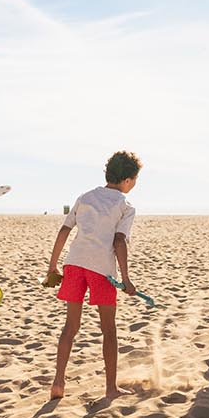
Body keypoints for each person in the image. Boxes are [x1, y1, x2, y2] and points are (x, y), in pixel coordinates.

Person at [45, 151, 141, 401]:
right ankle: (110, 388)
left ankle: (58, 383)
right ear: (129, 180)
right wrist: (126, 278)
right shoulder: (125, 205)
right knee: (109, 330)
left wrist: (53, 266)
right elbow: (119, 241)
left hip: (74, 264)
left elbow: (64, 230)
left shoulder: (85, 197)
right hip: (101, 269)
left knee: (70, 326)